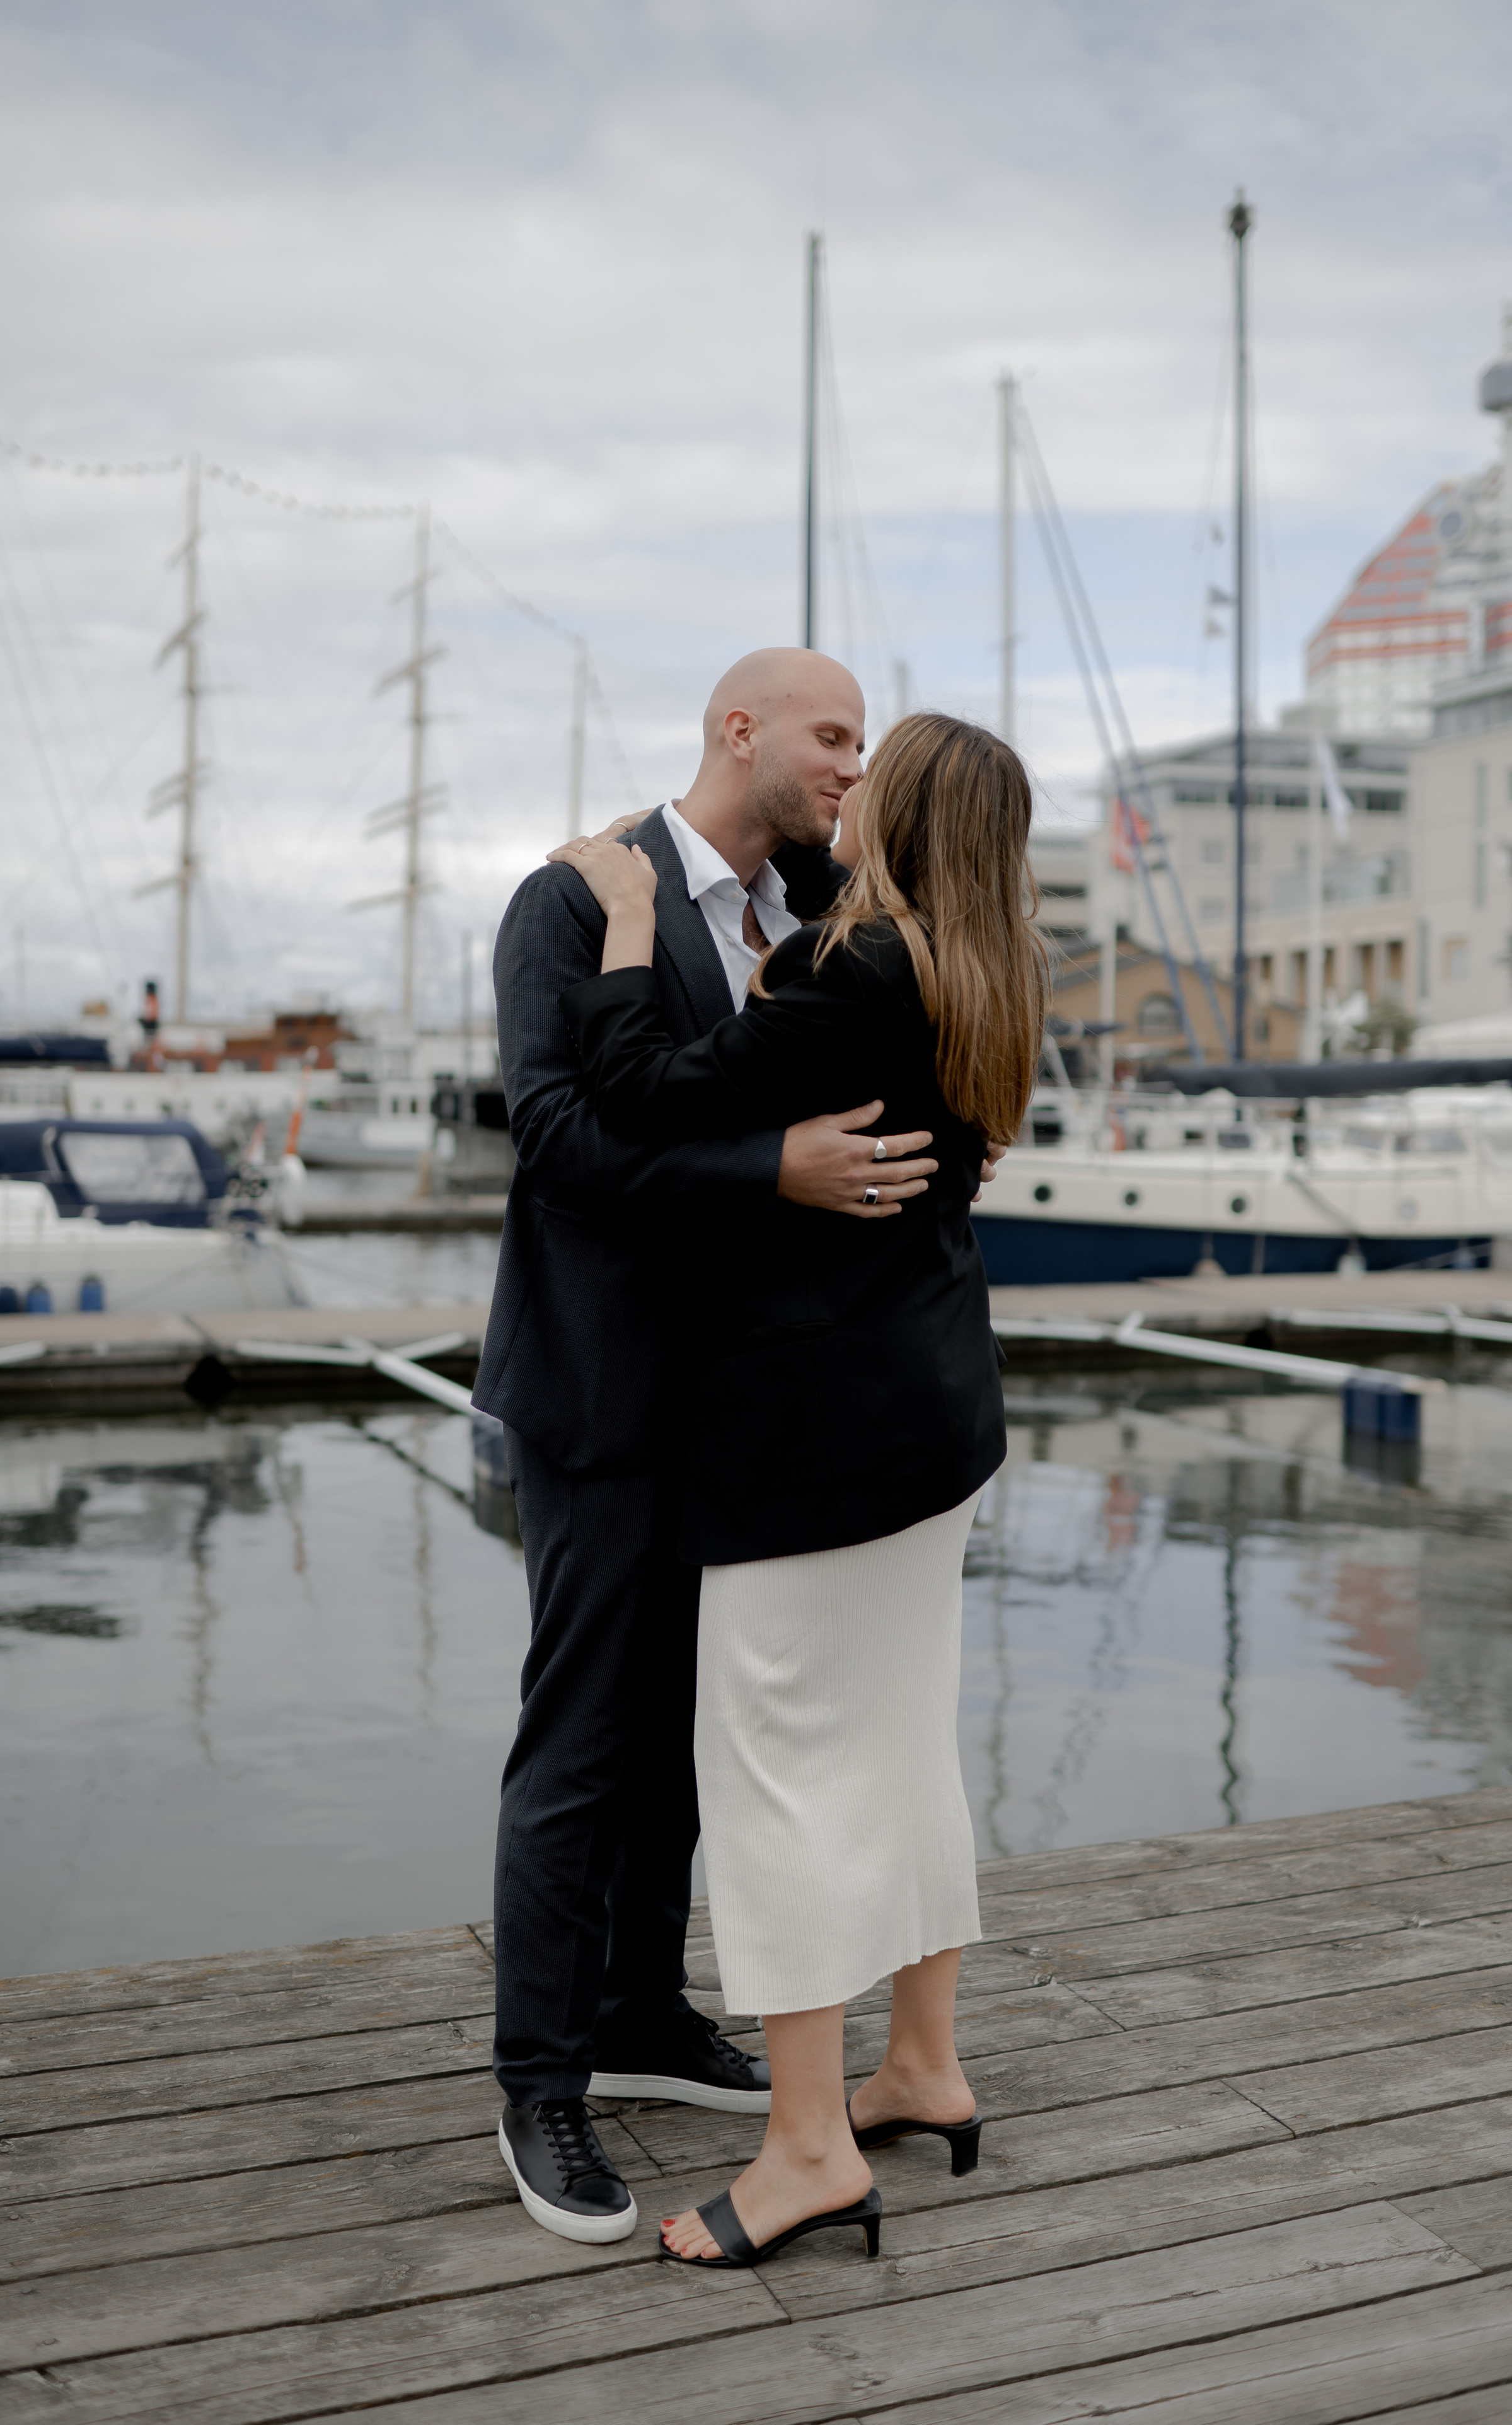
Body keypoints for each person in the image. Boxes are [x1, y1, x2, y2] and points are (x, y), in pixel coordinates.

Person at [550, 708, 1046, 2269]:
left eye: (866, 766)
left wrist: (632, 915)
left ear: (900, 808)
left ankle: (808, 2147)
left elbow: (637, 1085)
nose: (845, 789)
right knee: (899, 1751)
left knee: (772, 1777)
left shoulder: (859, 970)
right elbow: (854, 871)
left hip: (815, 1448)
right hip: (929, 1423)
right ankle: (921, 2062)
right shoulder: (977, 965)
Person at [473, 649, 951, 2246]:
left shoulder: (827, 894)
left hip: (747, 1411)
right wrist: (771, 1173)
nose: (849, 762)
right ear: (733, 727)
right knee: (581, 1739)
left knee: (696, 1733)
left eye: (865, 742)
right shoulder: (575, 896)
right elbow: (554, 1133)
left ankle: (639, 2011)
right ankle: (538, 2074)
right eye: (830, 735)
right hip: (603, 1393)